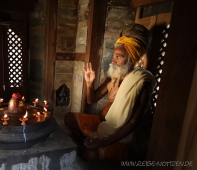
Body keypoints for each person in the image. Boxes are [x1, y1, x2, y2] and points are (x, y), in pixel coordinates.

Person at [64, 24, 156, 163]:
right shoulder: (114, 75)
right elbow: (91, 99)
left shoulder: (140, 84)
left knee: (89, 155)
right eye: (114, 56)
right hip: (102, 124)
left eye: (119, 57)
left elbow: (132, 123)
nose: (113, 60)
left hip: (119, 135)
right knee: (69, 118)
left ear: (131, 58)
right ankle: (91, 142)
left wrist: (104, 142)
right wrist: (89, 83)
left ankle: (100, 147)